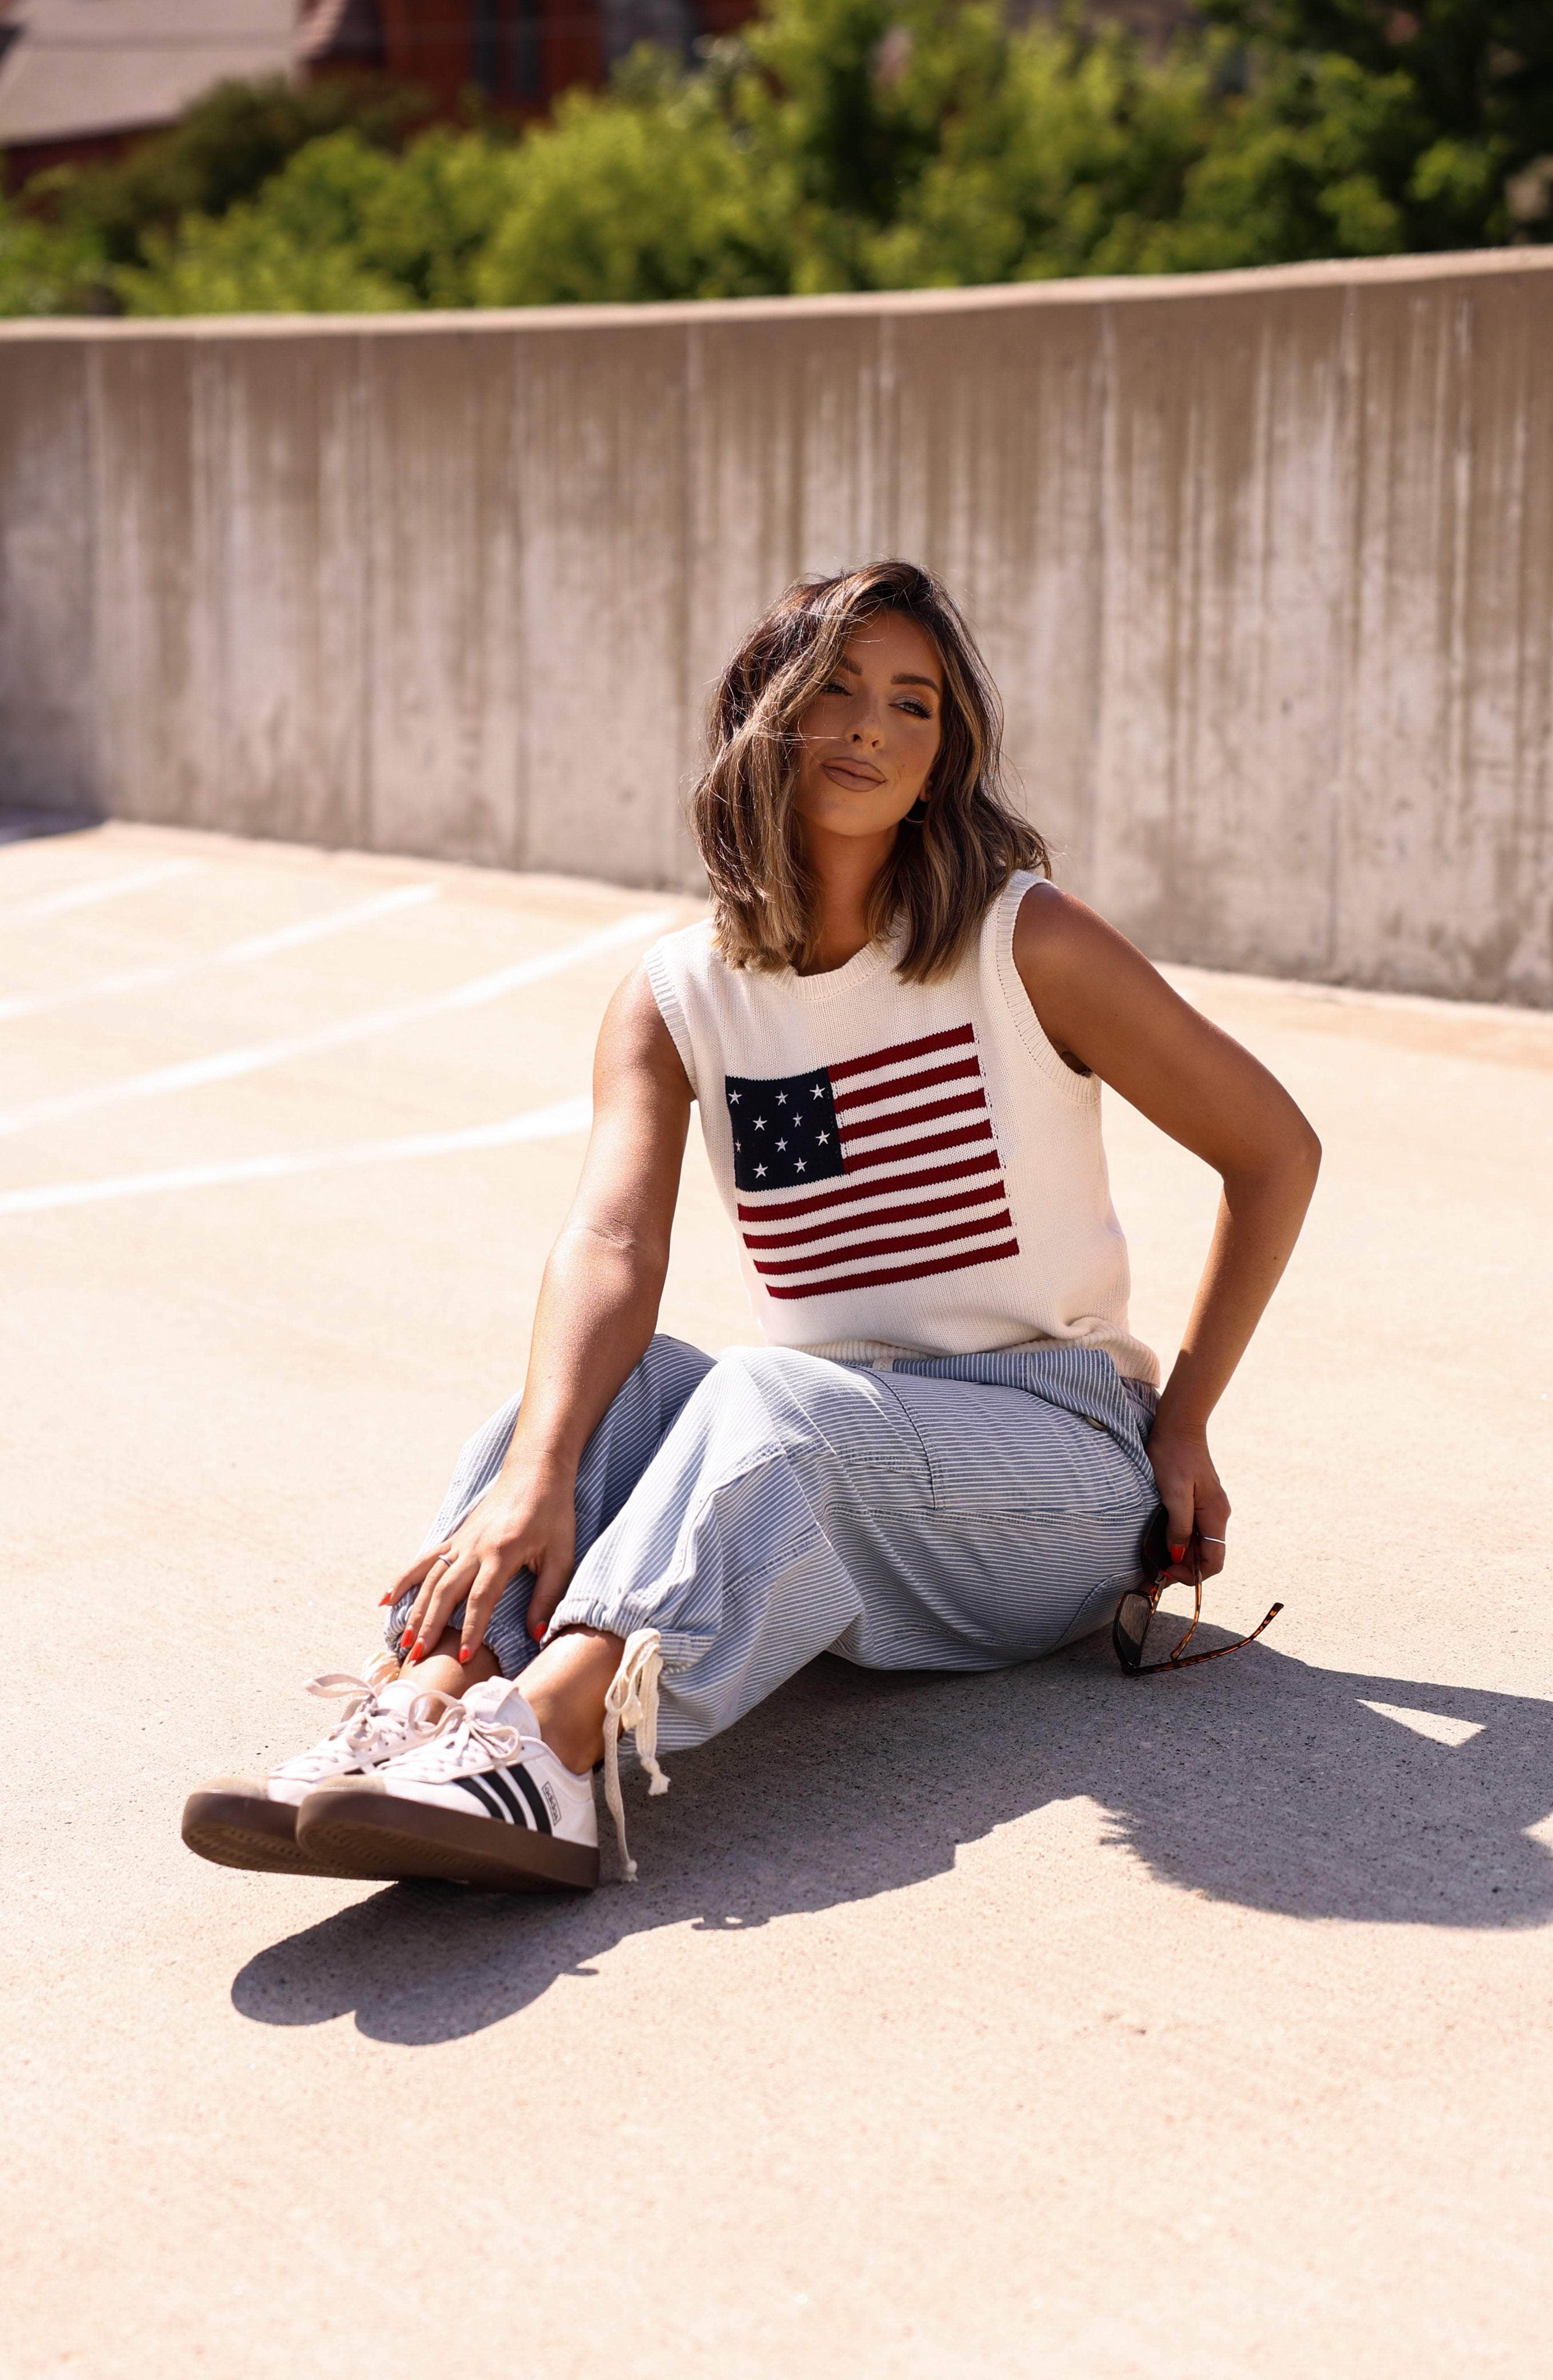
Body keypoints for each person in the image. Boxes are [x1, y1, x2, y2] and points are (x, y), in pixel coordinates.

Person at [183, 559, 1320, 1894]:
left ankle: (550, 1750)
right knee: (599, 1398)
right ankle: (424, 1700)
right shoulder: (677, 995)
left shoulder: (1026, 941)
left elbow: (1274, 1152)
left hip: (1056, 1472)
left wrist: (1180, 1421)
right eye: (836, 688)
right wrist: (539, 1471)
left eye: (914, 704)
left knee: (772, 1398)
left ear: (943, 760)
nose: (872, 727)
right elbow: (612, 1245)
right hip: (843, 1443)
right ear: (761, 714)